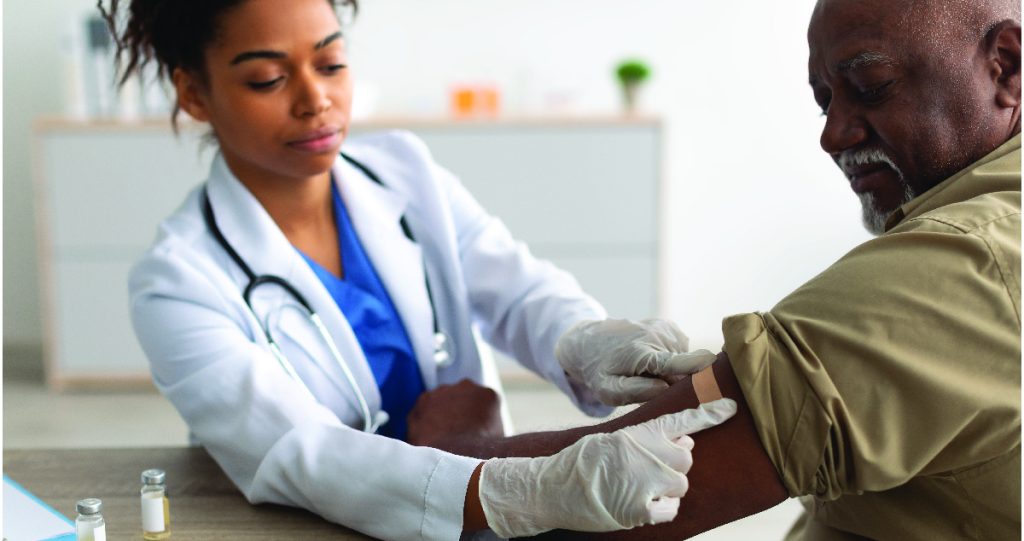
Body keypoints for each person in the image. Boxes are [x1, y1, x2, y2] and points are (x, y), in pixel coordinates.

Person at [103, 0, 738, 539]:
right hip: (328, 523)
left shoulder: (403, 170)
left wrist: (584, 342)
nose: (315, 100)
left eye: (331, 63)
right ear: (193, 93)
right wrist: (529, 491)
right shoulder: (177, 284)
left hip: (473, 481)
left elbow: (514, 288)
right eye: (268, 78)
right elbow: (297, 453)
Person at [408, 0, 1022, 539]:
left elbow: (602, 515)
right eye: (823, 102)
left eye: (872, 85)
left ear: (1007, 65)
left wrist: (456, 450)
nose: (833, 135)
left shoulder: (964, 262)